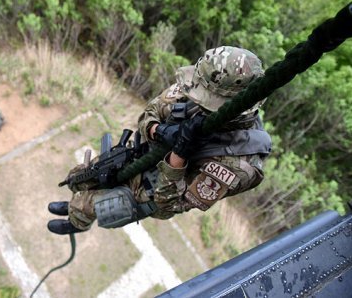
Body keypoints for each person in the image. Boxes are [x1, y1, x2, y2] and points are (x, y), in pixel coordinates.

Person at [48, 46, 272, 235]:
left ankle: (77, 220)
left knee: (102, 204)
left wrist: (178, 157)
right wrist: (159, 131)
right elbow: (150, 113)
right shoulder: (196, 85)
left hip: (153, 192)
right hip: (141, 152)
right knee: (89, 174)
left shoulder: (240, 165)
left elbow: (171, 204)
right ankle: (73, 203)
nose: (195, 97)